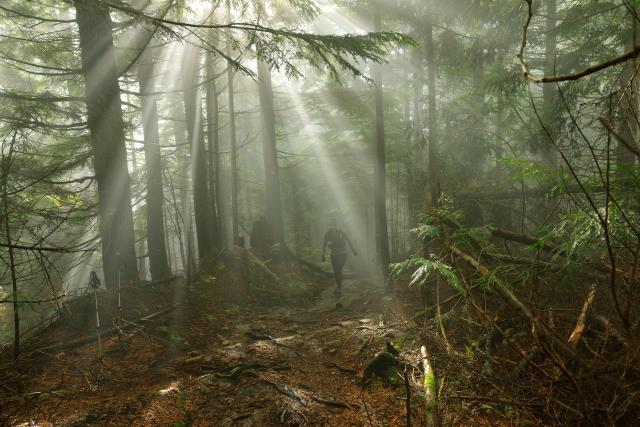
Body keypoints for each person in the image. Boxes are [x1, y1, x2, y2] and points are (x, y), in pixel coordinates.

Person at [322, 219, 357, 294]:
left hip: (342, 254)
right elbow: (324, 244)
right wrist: (323, 254)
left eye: (332, 225)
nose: (331, 227)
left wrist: (353, 249)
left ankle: (339, 287)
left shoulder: (341, 232)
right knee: (336, 271)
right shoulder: (328, 234)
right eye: (329, 225)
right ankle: (338, 286)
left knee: (338, 268)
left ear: (335, 225)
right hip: (333, 254)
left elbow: (348, 240)